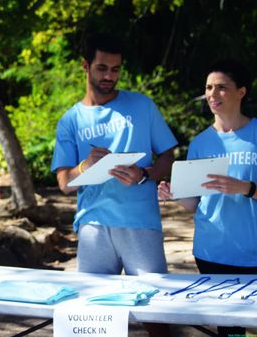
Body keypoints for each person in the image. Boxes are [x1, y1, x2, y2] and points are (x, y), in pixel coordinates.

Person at [51, 33, 176, 336]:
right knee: (94, 317)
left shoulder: (142, 106)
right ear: (86, 65)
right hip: (93, 225)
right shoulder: (70, 120)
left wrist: (145, 173)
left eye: (116, 69)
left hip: (140, 222)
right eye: (102, 68)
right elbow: (65, 183)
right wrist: (85, 165)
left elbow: (169, 155)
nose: (110, 76)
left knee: (156, 313)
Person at [158, 59, 257, 337]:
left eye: (222, 88)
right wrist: (175, 195)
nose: (213, 94)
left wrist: (246, 188)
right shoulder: (201, 142)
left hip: (253, 251)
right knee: (231, 330)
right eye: (209, 88)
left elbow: (246, 189)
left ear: (241, 92)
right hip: (212, 252)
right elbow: (198, 203)